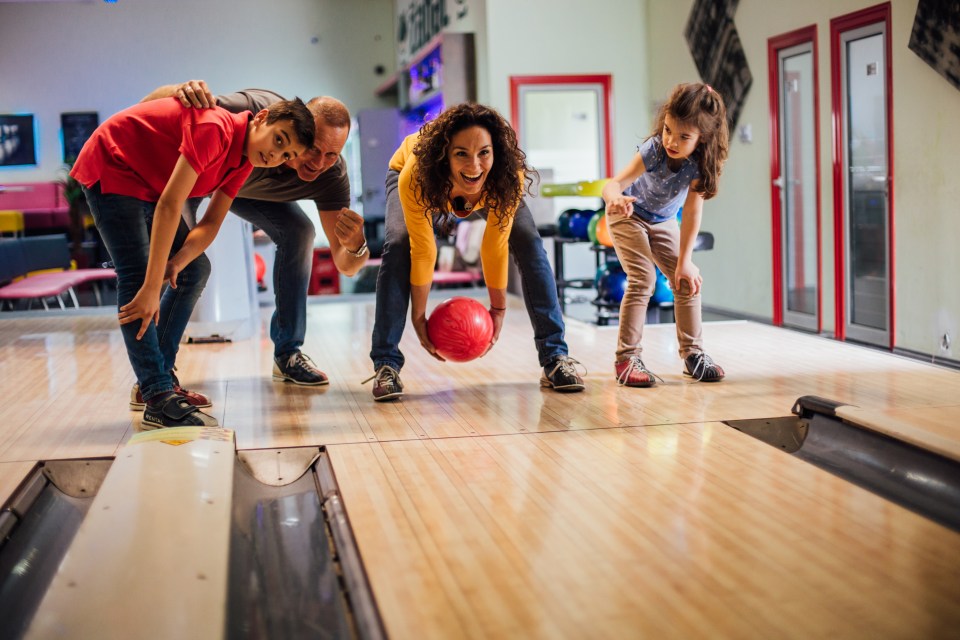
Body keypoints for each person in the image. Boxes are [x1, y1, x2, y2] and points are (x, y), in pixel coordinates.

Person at [71, 96, 315, 428]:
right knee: (138, 279)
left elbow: (211, 223)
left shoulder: (244, 161)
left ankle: (159, 379)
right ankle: (157, 396)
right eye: (279, 140)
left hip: (147, 185)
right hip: (113, 164)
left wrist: (178, 262)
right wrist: (153, 283)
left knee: (195, 269)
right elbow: (171, 205)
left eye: (286, 155)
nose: (275, 155)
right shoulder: (215, 129)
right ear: (262, 118)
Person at [140, 81, 369, 389]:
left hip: (239, 189)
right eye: (313, 148)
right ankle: (156, 376)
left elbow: (347, 266)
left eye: (331, 154)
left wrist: (356, 244)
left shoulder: (331, 176)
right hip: (197, 178)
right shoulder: (255, 110)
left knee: (300, 231)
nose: (318, 163)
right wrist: (178, 89)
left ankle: (288, 353)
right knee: (190, 266)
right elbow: (153, 108)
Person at [366, 102, 584, 401]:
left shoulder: (506, 178)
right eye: (461, 154)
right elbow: (424, 249)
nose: (474, 166)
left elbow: (494, 245)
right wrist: (418, 317)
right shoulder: (415, 176)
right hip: (411, 172)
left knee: (530, 243)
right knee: (399, 244)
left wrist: (498, 309)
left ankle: (555, 358)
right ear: (446, 156)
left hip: (488, 191)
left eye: (484, 152)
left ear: (495, 152)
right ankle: (386, 365)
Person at [601, 82, 728, 387]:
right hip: (627, 214)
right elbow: (612, 184)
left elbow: (693, 213)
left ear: (702, 139)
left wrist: (685, 262)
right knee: (643, 278)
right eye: (668, 130)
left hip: (664, 221)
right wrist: (614, 199)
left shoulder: (701, 164)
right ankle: (626, 358)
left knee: (687, 281)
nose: (671, 140)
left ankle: (693, 354)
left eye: (683, 136)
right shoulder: (655, 149)